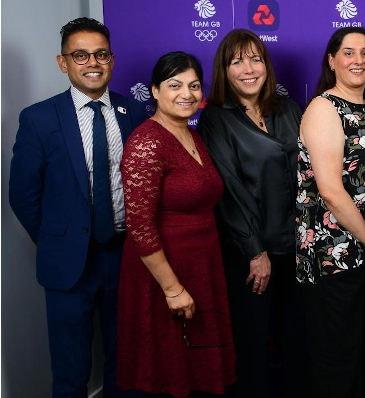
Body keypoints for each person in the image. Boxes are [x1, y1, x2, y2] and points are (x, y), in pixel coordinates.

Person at [8, 17, 147, 398]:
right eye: (80, 55)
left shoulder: (134, 112)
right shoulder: (39, 118)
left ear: (112, 60)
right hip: (70, 263)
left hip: (126, 257)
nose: (92, 63)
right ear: (63, 62)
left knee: (127, 363)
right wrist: (59, 239)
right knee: (70, 373)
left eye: (101, 54)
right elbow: (23, 195)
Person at [116, 52, 235, 397]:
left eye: (194, 86)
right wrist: (172, 289)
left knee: (197, 373)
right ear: (154, 91)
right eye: (175, 85)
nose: (187, 93)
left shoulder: (193, 136)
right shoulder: (146, 142)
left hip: (201, 265)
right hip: (164, 275)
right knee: (169, 375)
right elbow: (139, 225)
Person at [197, 29, 307, 398]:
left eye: (255, 58)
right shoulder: (216, 117)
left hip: (298, 248)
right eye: (236, 61)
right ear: (224, 70)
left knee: (299, 345)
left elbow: (311, 174)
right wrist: (254, 251)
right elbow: (228, 191)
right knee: (252, 350)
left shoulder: (288, 108)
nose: (248, 68)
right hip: (250, 254)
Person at [295, 27, 365, 398]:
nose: (358, 60)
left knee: (363, 356)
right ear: (331, 61)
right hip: (334, 255)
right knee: (338, 361)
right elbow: (331, 191)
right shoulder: (324, 107)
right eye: (348, 53)